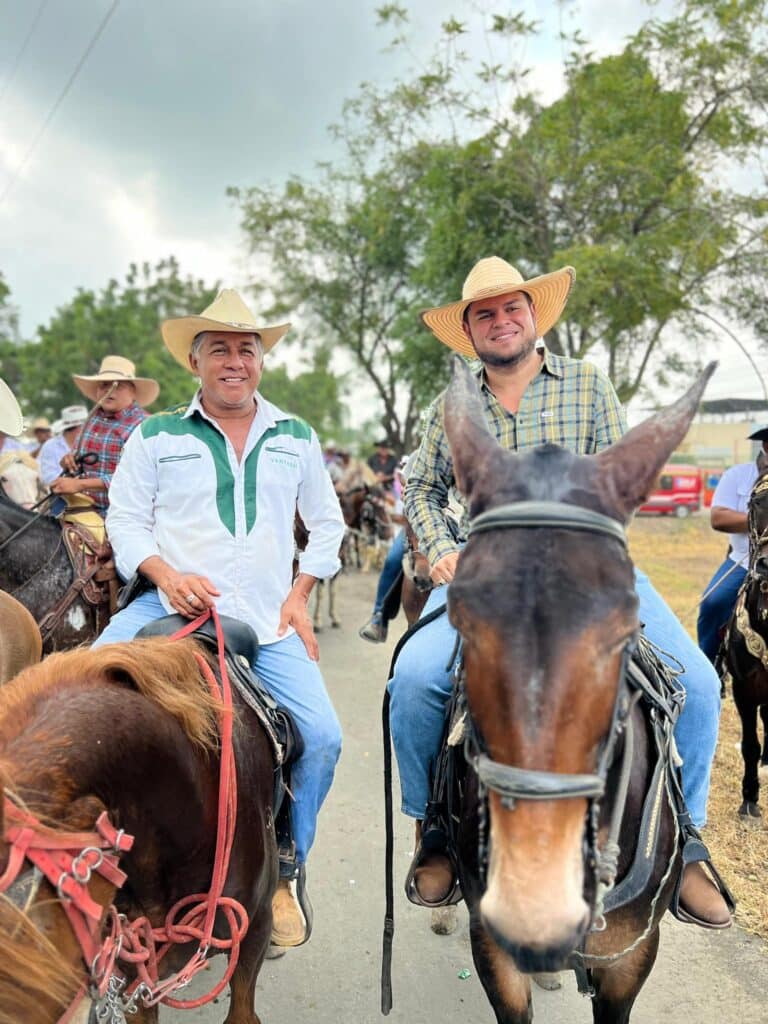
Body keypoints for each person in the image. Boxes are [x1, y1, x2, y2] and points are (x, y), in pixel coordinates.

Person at [389, 256, 731, 928]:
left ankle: (686, 840)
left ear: (533, 315)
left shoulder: (587, 385)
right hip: (484, 572)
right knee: (416, 679)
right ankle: (434, 830)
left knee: (696, 682)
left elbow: (611, 481)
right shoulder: (451, 407)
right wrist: (444, 551)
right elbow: (423, 490)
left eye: (511, 307)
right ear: (469, 330)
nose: (500, 320)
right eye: (484, 313)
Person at [93, 288, 345, 949]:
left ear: (260, 361)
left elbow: (328, 523)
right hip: (165, 608)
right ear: (195, 362)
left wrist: (301, 592)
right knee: (80, 693)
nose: (234, 360)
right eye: (220, 350)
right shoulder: (156, 434)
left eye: (246, 349)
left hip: (266, 620)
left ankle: (287, 869)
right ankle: (82, 865)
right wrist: (165, 576)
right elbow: (124, 517)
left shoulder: (296, 435)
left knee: (321, 738)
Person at [49, 356, 157, 516]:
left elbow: (135, 478)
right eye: (103, 385)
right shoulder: (91, 420)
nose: (109, 390)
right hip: (80, 504)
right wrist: (69, 461)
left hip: (123, 513)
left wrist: (80, 485)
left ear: (133, 392)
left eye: (117, 386)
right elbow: (78, 458)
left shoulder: (144, 426)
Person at [697, 426, 768, 663]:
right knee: (712, 603)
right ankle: (709, 669)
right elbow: (718, 518)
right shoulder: (737, 475)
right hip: (744, 560)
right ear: (766, 447)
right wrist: (759, 521)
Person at [359, 454, 411, 642]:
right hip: (424, 523)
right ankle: (379, 618)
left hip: (464, 524)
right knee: (392, 560)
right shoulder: (419, 457)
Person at [38, 405, 88, 487]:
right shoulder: (50, 446)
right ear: (79, 428)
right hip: (61, 494)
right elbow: (47, 478)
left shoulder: (89, 443)